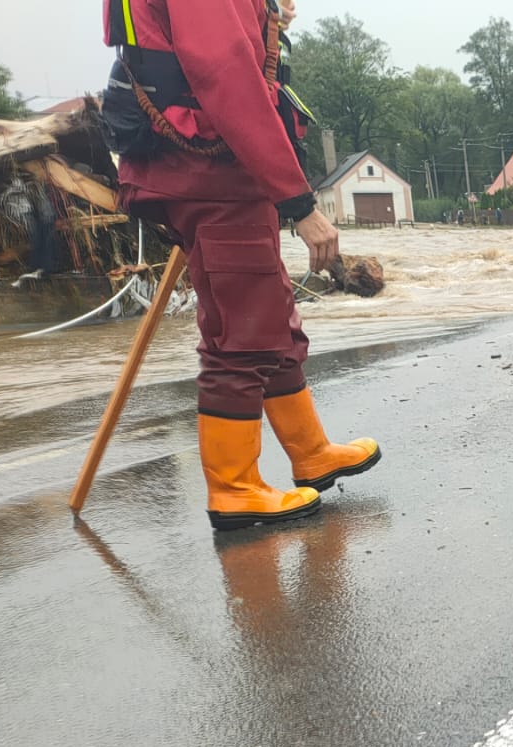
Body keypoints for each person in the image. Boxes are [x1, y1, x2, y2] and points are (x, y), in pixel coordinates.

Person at [101, 0, 381, 533]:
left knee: (270, 317)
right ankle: (233, 488)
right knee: (243, 335)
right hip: (208, 173)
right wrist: (299, 204)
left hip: (218, 175)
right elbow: (228, 77)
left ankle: (311, 452)